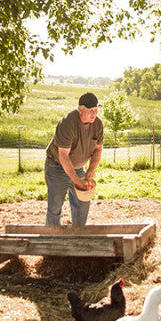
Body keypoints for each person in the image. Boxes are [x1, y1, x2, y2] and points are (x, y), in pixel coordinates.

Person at [44, 92, 104, 226]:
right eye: (90, 111)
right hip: (56, 167)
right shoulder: (68, 123)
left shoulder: (98, 124)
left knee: (82, 204)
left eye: (96, 110)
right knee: (55, 207)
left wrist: (91, 169)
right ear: (80, 110)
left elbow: (98, 149)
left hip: (78, 168)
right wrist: (77, 181)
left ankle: (79, 235)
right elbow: (63, 157)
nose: (94, 114)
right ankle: (51, 240)